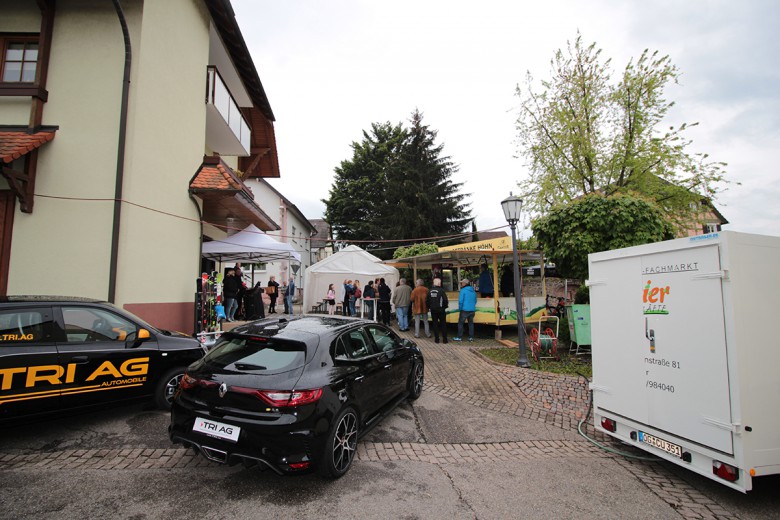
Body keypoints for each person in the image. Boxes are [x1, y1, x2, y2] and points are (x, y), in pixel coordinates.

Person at [427, 277, 449, 343]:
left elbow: (427, 300)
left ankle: (437, 339)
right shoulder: (441, 291)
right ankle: (445, 339)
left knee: (435, 324)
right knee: (443, 324)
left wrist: (429, 307)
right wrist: (445, 307)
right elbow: (445, 300)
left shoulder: (430, 291)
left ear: (433, 283)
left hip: (433, 310)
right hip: (441, 309)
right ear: (439, 283)